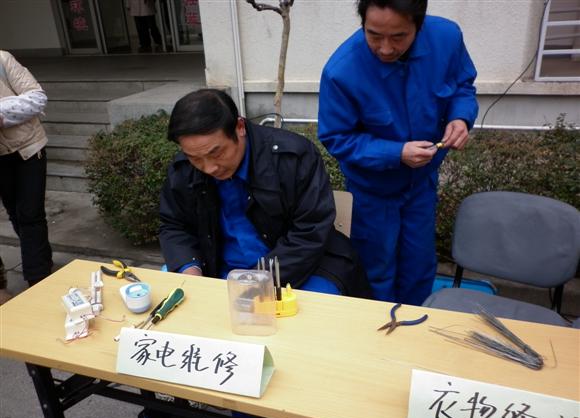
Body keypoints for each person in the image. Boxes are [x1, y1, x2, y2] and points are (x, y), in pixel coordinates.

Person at [318, 0, 478, 305]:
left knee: (419, 265)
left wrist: (460, 116)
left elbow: (462, 85)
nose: (386, 48)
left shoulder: (447, 38)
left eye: (399, 37)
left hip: (422, 184)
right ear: (363, 23)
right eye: (374, 35)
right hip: (372, 192)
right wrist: (396, 153)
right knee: (375, 270)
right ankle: (377, 326)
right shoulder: (342, 71)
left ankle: (416, 324)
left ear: (419, 24)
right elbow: (336, 137)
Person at [160, 88, 371, 298]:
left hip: (300, 268)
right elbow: (174, 225)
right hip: (219, 269)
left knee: (312, 309)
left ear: (239, 127)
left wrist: (257, 283)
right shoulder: (184, 169)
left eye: (217, 153)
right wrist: (190, 269)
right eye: (195, 158)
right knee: (177, 294)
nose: (209, 168)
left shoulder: (294, 156)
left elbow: (311, 230)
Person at [0, 50, 53, 290]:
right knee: (16, 213)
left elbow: (37, 97)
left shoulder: (2, 60)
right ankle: (40, 261)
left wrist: (1, 114)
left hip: (28, 149)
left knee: (30, 214)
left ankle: (38, 278)